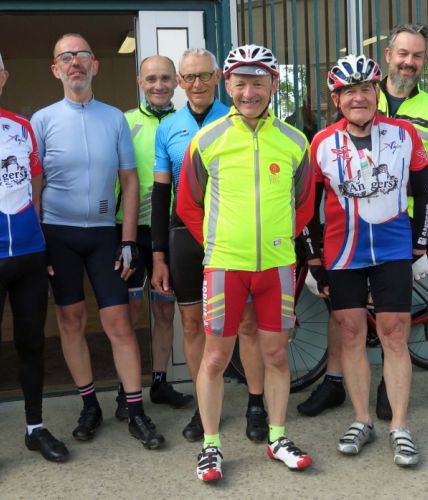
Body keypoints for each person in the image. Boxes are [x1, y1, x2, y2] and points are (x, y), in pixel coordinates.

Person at [176, 44, 315, 482]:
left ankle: (278, 437)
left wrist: (279, 239)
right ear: (227, 85)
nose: (249, 92)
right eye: (240, 83)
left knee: (275, 353)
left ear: (274, 84)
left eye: (258, 83)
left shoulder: (295, 141)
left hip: (277, 266)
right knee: (216, 357)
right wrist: (220, 245)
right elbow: (188, 204)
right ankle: (211, 446)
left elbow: (304, 203)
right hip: (225, 267)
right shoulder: (207, 139)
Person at [31, 33, 164, 449]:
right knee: (70, 320)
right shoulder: (42, 120)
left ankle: (135, 409)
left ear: (95, 65)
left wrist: (129, 241)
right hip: (58, 235)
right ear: (55, 69)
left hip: (106, 235)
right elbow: (35, 186)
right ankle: (89, 404)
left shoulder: (114, 119)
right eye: (66, 57)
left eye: (83, 56)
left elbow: (130, 179)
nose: (75, 63)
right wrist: (38, 241)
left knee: (120, 322)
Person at [306, 54, 428, 467]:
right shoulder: (322, 143)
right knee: (351, 334)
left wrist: (420, 246)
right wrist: (313, 260)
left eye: (365, 89)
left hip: (393, 248)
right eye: (349, 92)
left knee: (394, 335)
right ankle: (362, 420)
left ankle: (400, 426)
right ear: (336, 100)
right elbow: (306, 208)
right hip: (344, 251)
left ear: (377, 93)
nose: (358, 98)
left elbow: (424, 191)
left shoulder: (404, 134)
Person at [151, 48, 267, 443]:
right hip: (186, 234)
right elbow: (161, 196)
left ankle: (256, 403)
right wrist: (158, 255)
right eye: (189, 77)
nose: (196, 84)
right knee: (191, 323)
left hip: (234, 233)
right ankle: (204, 409)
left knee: (247, 322)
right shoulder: (168, 127)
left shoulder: (240, 116)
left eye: (204, 75)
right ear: (179, 82)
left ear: (219, 78)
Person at [373, 23, 428, 420]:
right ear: (388, 55)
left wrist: (404, 183)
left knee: (395, 310)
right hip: (358, 219)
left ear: (425, 61)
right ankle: (336, 381)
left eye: (417, 56)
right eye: (403, 53)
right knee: (352, 308)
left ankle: (387, 386)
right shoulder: (362, 96)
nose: (409, 62)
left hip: (405, 221)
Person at [114, 55, 192, 421]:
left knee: (164, 310)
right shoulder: (124, 122)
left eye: (165, 78)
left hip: (171, 232)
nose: (158, 85)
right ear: (140, 82)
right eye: (151, 79)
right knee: (128, 313)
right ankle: (125, 389)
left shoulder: (186, 123)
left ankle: (160, 382)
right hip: (129, 231)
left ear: (176, 81)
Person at [0, 52, 69, 463]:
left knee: (31, 343)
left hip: (28, 255)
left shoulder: (21, 127)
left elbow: (35, 187)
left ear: (4, 77)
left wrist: (41, 242)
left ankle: (34, 428)